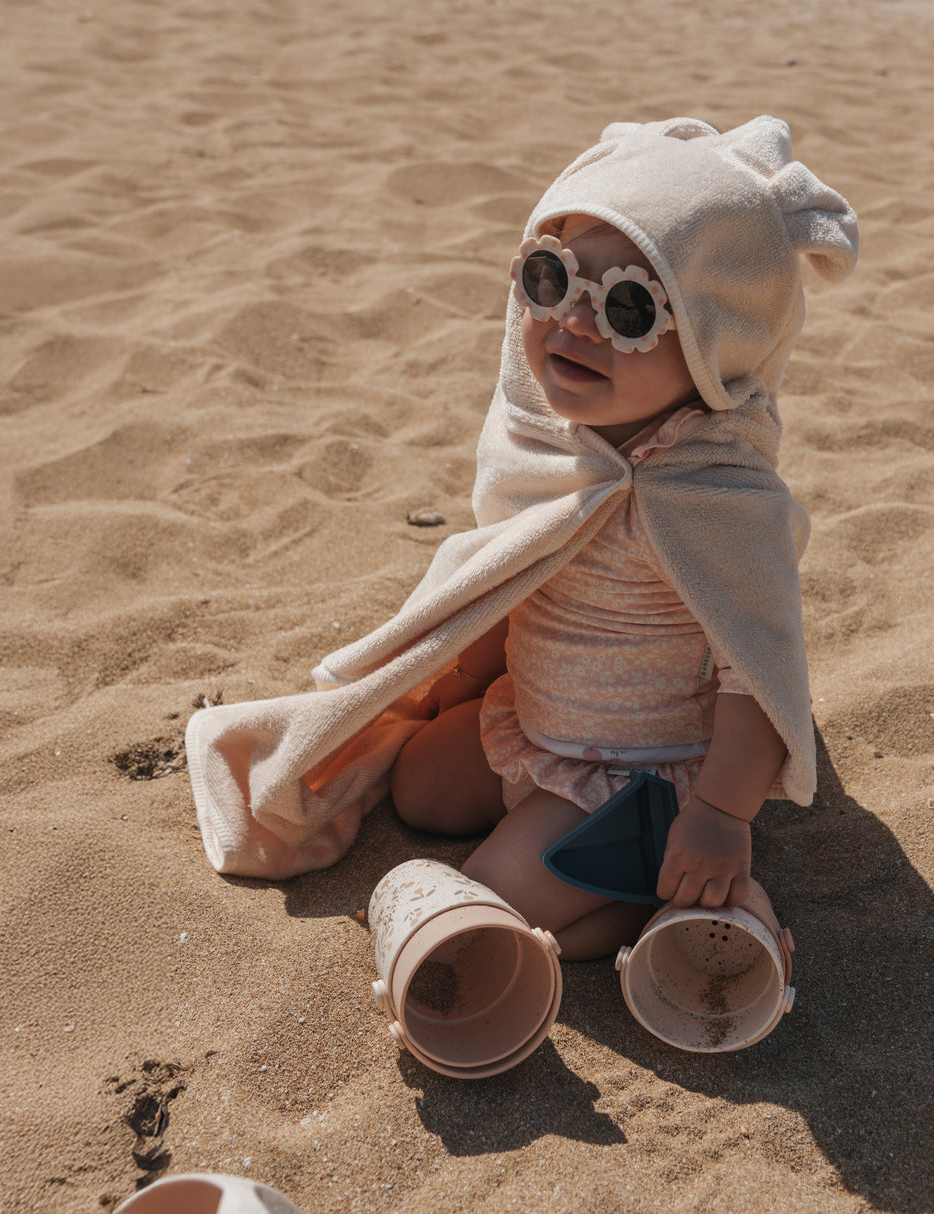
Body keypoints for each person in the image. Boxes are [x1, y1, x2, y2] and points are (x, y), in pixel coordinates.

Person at [384, 116, 859, 960]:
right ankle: (600, 892)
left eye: (630, 307)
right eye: (549, 277)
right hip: (534, 728)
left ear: (719, 344)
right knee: (417, 789)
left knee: (488, 900)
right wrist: (468, 667)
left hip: (644, 781)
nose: (575, 322)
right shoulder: (551, 448)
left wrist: (719, 816)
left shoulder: (714, 503)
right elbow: (518, 568)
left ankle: (639, 898)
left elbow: (756, 669)